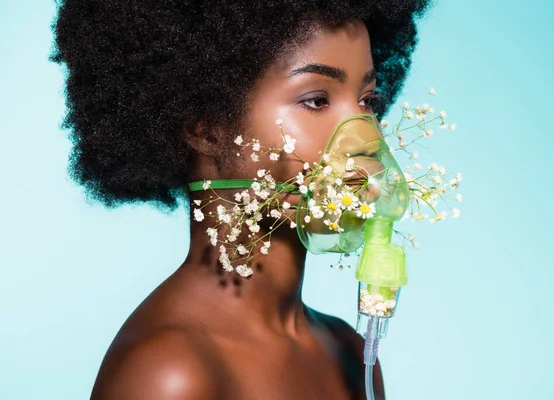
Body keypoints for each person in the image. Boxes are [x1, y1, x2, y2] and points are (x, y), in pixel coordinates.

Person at [49, 1, 432, 398]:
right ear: (207, 127)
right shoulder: (170, 373)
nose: (366, 140)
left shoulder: (352, 355)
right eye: (317, 100)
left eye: (367, 101)